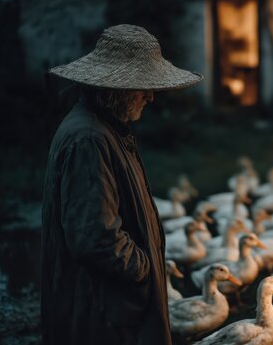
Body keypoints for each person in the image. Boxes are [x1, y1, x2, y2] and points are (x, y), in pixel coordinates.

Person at [41, 24, 202, 344]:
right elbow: (97, 238)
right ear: (116, 88)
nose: (151, 96)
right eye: (143, 86)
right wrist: (145, 272)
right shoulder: (89, 139)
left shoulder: (106, 129)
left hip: (110, 309)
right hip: (102, 315)